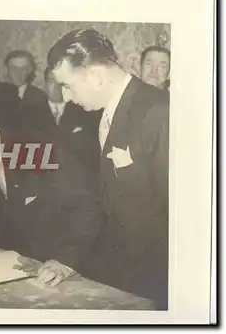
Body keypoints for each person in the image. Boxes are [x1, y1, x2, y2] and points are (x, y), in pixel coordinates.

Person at [47, 28, 169, 309]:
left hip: (154, 285)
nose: (65, 97)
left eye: (68, 85)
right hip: (120, 274)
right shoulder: (101, 115)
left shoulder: (159, 112)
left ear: (95, 77)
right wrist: (70, 260)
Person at [0, 114, 104, 287]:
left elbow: (87, 208)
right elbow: (6, 209)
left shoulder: (36, 149)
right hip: (36, 269)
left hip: (80, 270)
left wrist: (65, 262)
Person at [37, 67, 102, 173]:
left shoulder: (87, 112)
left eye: (62, 82)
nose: (57, 86)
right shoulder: (29, 113)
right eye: (52, 80)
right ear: (44, 83)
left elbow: (92, 155)